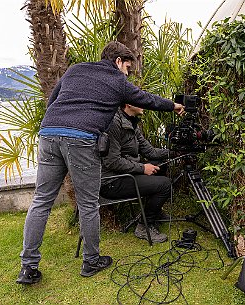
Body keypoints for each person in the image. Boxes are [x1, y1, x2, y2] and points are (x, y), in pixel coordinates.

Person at [16, 41, 185, 284]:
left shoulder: (74, 70)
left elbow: (52, 101)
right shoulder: (117, 80)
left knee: (41, 201)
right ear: (118, 62)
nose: (127, 74)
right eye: (127, 67)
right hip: (81, 138)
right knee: (88, 203)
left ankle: (28, 267)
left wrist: (56, 128)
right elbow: (146, 99)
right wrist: (174, 105)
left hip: (49, 133)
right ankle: (91, 260)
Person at [100, 104, 172, 243]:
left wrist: (174, 152)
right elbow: (112, 161)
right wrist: (142, 168)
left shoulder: (132, 123)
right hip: (112, 181)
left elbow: (150, 152)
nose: (144, 104)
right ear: (129, 104)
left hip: (126, 174)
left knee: (160, 164)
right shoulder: (113, 123)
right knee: (165, 185)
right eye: (140, 100)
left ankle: (154, 212)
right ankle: (144, 226)